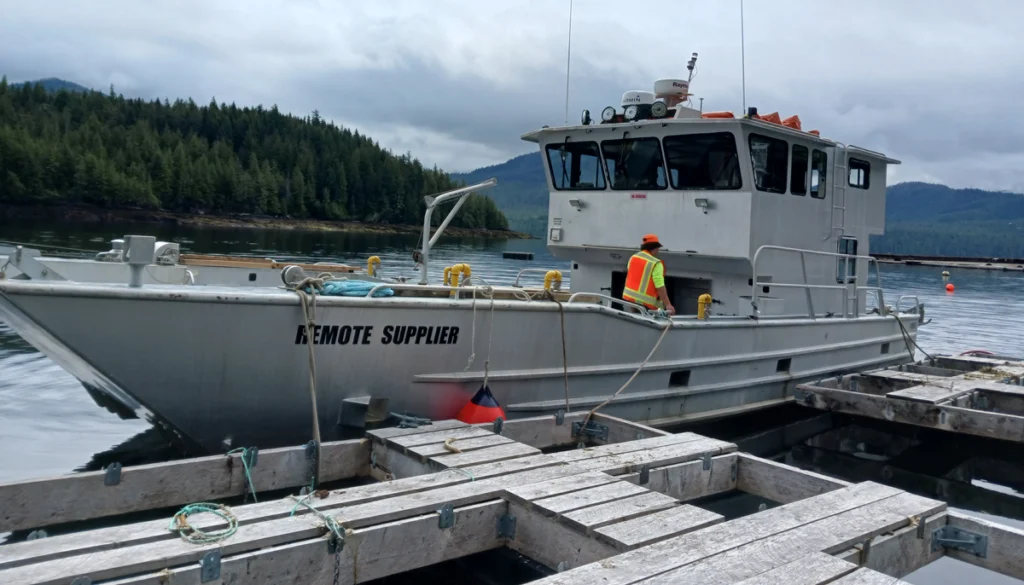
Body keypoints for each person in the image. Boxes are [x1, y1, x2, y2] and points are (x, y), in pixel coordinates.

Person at [622, 234, 676, 316]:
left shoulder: (633, 257)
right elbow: (660, 286)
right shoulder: (656, 263)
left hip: (629, 300)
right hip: (645, 304)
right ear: (655, 247)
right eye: (658, 248)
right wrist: (668, 305)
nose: (658, 251)